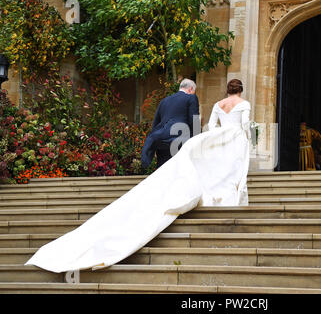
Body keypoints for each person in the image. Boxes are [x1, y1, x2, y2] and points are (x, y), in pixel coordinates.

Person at [25, 79, 251, 273]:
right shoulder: (198, 100)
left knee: (168, 174)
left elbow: (161, 123)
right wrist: (194, 144)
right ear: (191, 89)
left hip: (161, 138)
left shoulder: (169, 101)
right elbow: (202, 122)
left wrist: (154, 140)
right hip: (188, 139)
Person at [141, 78, 200, 169]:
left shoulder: (165, 100)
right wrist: (197, 140)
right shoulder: (191, 97)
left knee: (163, 170)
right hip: (180, 141)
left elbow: (156, 123)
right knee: (180, 171)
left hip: (161, 140)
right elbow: (194, 120)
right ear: (190, 89)